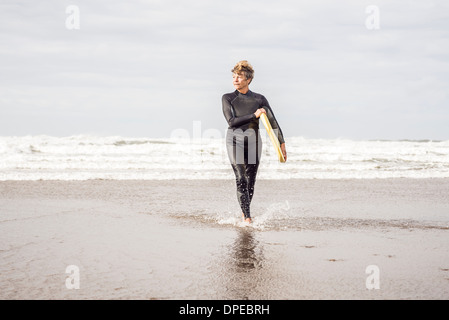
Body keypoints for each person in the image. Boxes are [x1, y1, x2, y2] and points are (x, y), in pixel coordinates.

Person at [222, 60, 287, 223]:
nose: (235, 79)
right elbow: (231, 121)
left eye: (239, 77)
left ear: (248, 80)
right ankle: (248, 218)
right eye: (234, 76)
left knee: (250, 181)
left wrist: (282, 143)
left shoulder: (259, 99)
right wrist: (254, 115)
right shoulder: (228, 98)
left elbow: (273, 122)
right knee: (241, 178)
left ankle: (245, 212)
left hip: (253, 143)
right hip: (234, 141)